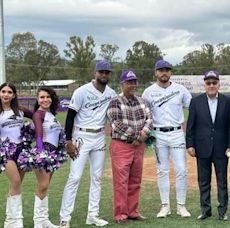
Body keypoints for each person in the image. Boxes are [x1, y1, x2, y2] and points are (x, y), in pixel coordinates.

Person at [59, 60, 117, 227]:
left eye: (107, 72)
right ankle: (65, 218)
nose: (104, 75)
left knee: (97, 177)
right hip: (81, 136)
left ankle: (93, 215)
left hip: (99, 136)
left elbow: (113, 116)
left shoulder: (111, 93)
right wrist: (68, 140)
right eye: (101, 72)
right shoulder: (81, 91)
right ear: (95, 73)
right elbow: (70, 116)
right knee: (75, 177)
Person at [142, 59, 192, 218]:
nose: (164, 73)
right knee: (162, 170)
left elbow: (194, 107)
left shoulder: (180, 89)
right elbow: (144, 115)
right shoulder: (148, 92)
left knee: (181, 170)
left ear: (170, 72)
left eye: (167, 70)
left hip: (177, 133)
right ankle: (165, 206)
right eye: (161, 70)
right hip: (158, 135)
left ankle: (181, 206)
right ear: (156, 72)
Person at [186, 70, 230, 221]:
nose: (212, 85)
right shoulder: (196, 102)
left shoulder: (227, 102)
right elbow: (190, 126)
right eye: (209, 83)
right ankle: (205, 210)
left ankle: (222, 211)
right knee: (203, 180)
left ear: (219, 84)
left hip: (221, 148)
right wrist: (190, 144)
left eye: (214, 83)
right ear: (205, 85)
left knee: (222, 181)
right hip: (202, 148)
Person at [107, 70, 152, 224]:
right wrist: (135, 136)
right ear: (122, 84)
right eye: (129, 82)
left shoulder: (142, 101)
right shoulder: (115, 101)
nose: (132, 85)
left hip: (138, 146)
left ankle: (132, 211)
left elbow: (149, 119)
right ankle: (120, 214)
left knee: (135, 180)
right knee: (121, 182)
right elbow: (116, 123)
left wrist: (142, 135)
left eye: (134, 82)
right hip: (121, 145)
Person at [32, 87, 67, 228]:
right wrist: (40, 152)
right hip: (43, 151)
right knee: (43, 185)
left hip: (52, 154)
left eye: (47, 97)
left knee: (45, 187)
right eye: (42, 97)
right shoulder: (38, 114)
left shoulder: (51, 114)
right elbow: (39, 133)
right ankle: (38, 222)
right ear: (37, 99)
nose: (45, 99)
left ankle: (44, 220)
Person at [1, 83, 33, 228]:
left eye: (9, 92)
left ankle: (10, 221)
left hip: (21, 151)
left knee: (15, 184)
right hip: (5, 151)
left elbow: (37, 116)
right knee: (15, 181)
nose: (6, 94)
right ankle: (16, 220)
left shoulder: (20, 111)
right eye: (3, 91)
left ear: (14, 95)